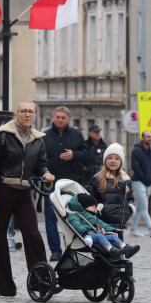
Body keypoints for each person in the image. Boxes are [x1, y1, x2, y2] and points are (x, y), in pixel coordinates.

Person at [0, 101, 55, 297]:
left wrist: (46, 175)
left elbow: (41, 165)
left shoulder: (38, 140)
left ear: (35, 115)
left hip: (24, 193)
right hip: (3, 190)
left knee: (33, 234)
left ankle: (41, 282)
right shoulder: (2, 136)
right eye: (23, 111)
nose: (27, 114)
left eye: (31, 112)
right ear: (16, 114)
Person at [41, 106, 88, 260]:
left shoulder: (76, 135)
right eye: (57, 117)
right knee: (51, 218)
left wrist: (74, 154)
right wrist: (44, 174)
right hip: (50, 184)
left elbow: (87, 155)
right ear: (53, 118)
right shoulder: (45, 136)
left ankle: (71, 247)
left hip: (69, 184)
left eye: (63, 117)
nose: (60, 120)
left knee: (72, 217)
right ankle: (55, 251)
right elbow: (38, 159)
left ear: (68, 119)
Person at [66, 193, 140, 260]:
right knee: (100, 236)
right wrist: (85, 234)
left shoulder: (93, 216)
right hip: (87, 236)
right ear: (83, 206)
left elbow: (103, 224)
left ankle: (126, 248)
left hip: (96, 234)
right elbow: (76, 225)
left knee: (112, 236)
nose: (95, 208)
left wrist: (112, 230)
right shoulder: (74, 215)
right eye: (92, 206)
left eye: (95, 206)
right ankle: (111, 250)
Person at [88, 143, 136, 233]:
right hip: (102, 224)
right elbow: (90, 197)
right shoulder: (97, 178)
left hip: (119, 223)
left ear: (121, 162)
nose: (113, 161)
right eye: (109, 158)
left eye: (116, 159)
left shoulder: (126, 179)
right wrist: (99, 208)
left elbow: (130, 198)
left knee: (120, 245)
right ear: (105, 160)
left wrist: (129, 209)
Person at [129, 130, 151, 236]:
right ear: (142, 138)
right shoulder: (136, 151)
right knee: (144, 206)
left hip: (148, 182)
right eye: (148, 136)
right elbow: (135, 166)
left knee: (140, 206)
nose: (150, 138)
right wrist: (143, 177)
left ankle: (133, 229)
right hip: (138, 181)